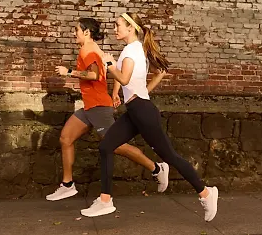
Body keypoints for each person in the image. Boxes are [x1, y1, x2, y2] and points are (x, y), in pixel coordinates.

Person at [80, 13, 218, 222]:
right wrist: (142, 91)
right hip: (136, 110)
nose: (115, 29)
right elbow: (159, 72)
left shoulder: (131, 50)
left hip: (143, 112)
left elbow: (124, 79)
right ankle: (105, 200)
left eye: (118, 26)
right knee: (106, 146)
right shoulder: (136, 49)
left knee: (170, 156)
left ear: (130, 28)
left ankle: (206, 193)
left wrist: (110, 65)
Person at [46, 17, 169, 201]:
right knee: (66, 138)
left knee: (117, 146)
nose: (74, 34)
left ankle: (157, 168)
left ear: (86, 32)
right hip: (90, 106)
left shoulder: (88, 50)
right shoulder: (90, 48)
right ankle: (68, 184)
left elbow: (95, 75)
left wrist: (69, 72)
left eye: (77, 30)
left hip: (99, 107)